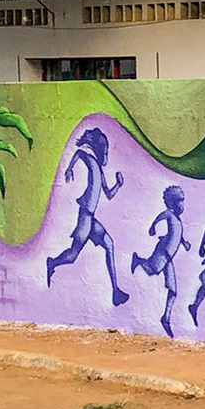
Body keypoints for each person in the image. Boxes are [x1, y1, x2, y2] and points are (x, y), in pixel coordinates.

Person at [45, 128, 128, 305]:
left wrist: (118, 185)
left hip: (91, 219)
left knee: (109, 244)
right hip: (85, 218)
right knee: (72, 255)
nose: (106, 155)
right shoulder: (90, 160)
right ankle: (52, 263)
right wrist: (69, 169)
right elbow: (79, 152)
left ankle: (116, 292)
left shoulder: (100, 170)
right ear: (98, 149)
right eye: (104, 151)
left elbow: (109, 194)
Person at [130, 185, 190, 337]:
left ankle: (166, 318)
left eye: (183, 201)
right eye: (179, 201)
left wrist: (184, 243)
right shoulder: (169, 214)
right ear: (172, 202)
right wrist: (153, 226)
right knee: (152, 269)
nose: (182, 205)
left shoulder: (178, 220)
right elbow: (161, 216)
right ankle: (138, 260)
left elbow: (177, 234)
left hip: (168, 258)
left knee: (173, 290)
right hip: (162, 252)